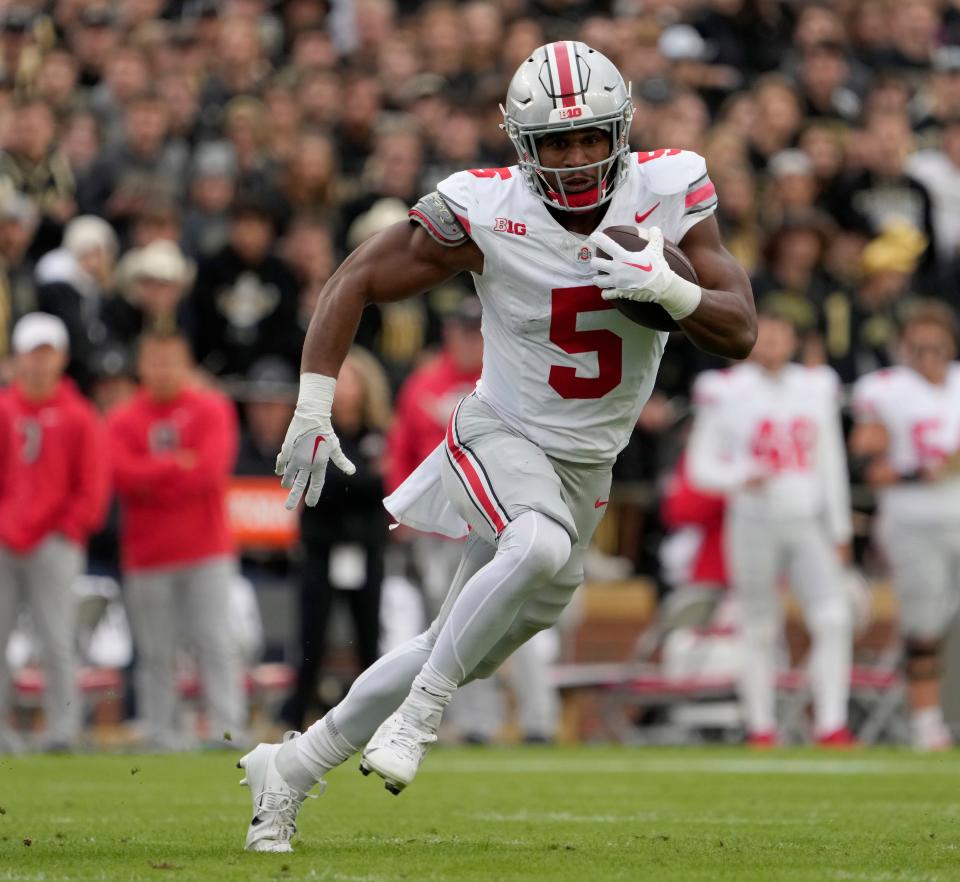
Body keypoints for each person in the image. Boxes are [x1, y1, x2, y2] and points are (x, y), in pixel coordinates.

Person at [238, 41, 755, 853]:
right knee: (535, 549)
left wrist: (671, 288)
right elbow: (355, 278)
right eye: (558, 142)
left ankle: (292, 766)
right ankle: (421, 717)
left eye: (592, 138)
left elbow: (741, 329)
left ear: (621, 132)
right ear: (525, 147)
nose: (578, 157)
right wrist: (314, 402)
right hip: (500, 432)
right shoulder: (485, 209)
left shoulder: (667, 187)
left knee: (455, 641)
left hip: (587, 468)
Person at [687, 310, 853, 746]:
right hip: (753, 519)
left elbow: (830, 462)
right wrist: (741, 476)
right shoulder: (725, 390)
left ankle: (831, 722)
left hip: (805, 518)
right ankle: (761, 725)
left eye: (782, 336)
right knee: (758, 624)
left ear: (794, 341)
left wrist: (840, 531)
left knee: (833, 618)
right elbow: (700, 466)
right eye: (767, 336)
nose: (774, 345)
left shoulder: (816, 387)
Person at [107, 330, 246, 750]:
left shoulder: (212, 409)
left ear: (186, 366)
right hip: (148, 554)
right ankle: (162, 730)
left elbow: (210, 470)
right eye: (155, 361)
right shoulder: (122, 418)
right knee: (155, 650)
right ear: (142, 366)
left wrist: (153, 476)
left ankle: (227, 727)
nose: (163, 370)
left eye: (171, 361)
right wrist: (175, 467)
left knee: (215, 642)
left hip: (207, 550)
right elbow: (120, 475)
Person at [850, 300, 960, 751]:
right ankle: (925, 723)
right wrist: (924, 471)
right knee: (923, 625)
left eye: (937, 345)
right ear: (904, 348)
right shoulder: (887, 391)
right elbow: (867, 466)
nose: (929, 354)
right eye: (919, 346)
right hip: (914, 522)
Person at [0, 313, 109, 751]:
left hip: (55, 542)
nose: (39, 364)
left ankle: (63, 731)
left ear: (61, 358)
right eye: (32, 354)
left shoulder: (78, 415)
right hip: (5, 538)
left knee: (57, 638)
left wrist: (69, 527)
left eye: (47, 355)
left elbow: (93, 482)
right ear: (17, 359)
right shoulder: (5, 409)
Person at [279, 348, 392, 731]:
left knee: (368, 640)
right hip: (321, 547)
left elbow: (386, 483)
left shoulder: (378, 433)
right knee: (311, 640)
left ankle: (372, 718)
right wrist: (363, 479)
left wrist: (347, 479)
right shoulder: (312, 429)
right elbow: (316, 484)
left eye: (352, 380)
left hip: (366, 549)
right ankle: (296, 716)